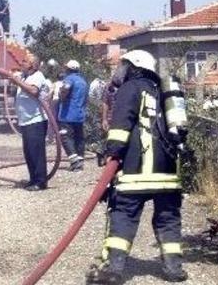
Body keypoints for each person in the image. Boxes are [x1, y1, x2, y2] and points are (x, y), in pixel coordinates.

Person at [86, 50, 188, 284]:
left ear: (134, 66)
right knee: (168, 218)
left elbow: (120, 128)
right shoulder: (164, 91)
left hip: (136, 173)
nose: (119, 70)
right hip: (168, 173)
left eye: (123, 65)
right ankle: (174, 269)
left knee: (124, 215)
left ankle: (114, 269)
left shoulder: (130, 88)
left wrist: (111, 154)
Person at [0, 55, 50, 190]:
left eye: (24, 61)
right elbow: (7, 75)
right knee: (29, 152)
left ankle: (40, 182)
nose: (21, 63)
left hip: (36, 120)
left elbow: (33, 91)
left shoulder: (37, 76)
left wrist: (16, 81)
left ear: (33, 65)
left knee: (36, 152)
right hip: (26, 121)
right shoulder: (23, 76)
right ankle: (33, 179)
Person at [58, 59, 88, 171]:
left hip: (68, 114)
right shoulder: (83, 81)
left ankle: (75, 162)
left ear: (68, 69)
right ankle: (80, 160)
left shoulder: (69, 79)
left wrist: (61, 96)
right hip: (79, 114)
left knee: (66, 137)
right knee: (79, 138)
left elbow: (65, 89)